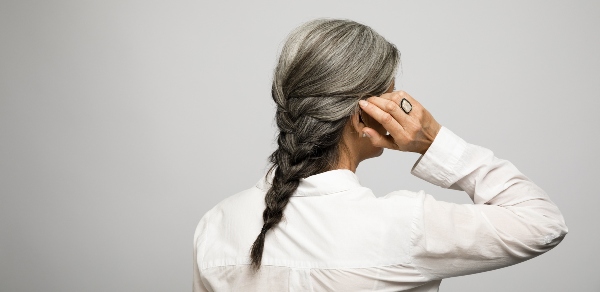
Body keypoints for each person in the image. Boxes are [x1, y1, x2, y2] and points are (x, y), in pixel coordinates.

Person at [193, 18, 568, 292]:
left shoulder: (217, 223)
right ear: (361, 115)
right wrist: (432, 140)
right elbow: (544, 223)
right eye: (391, 95)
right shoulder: (403, 226)